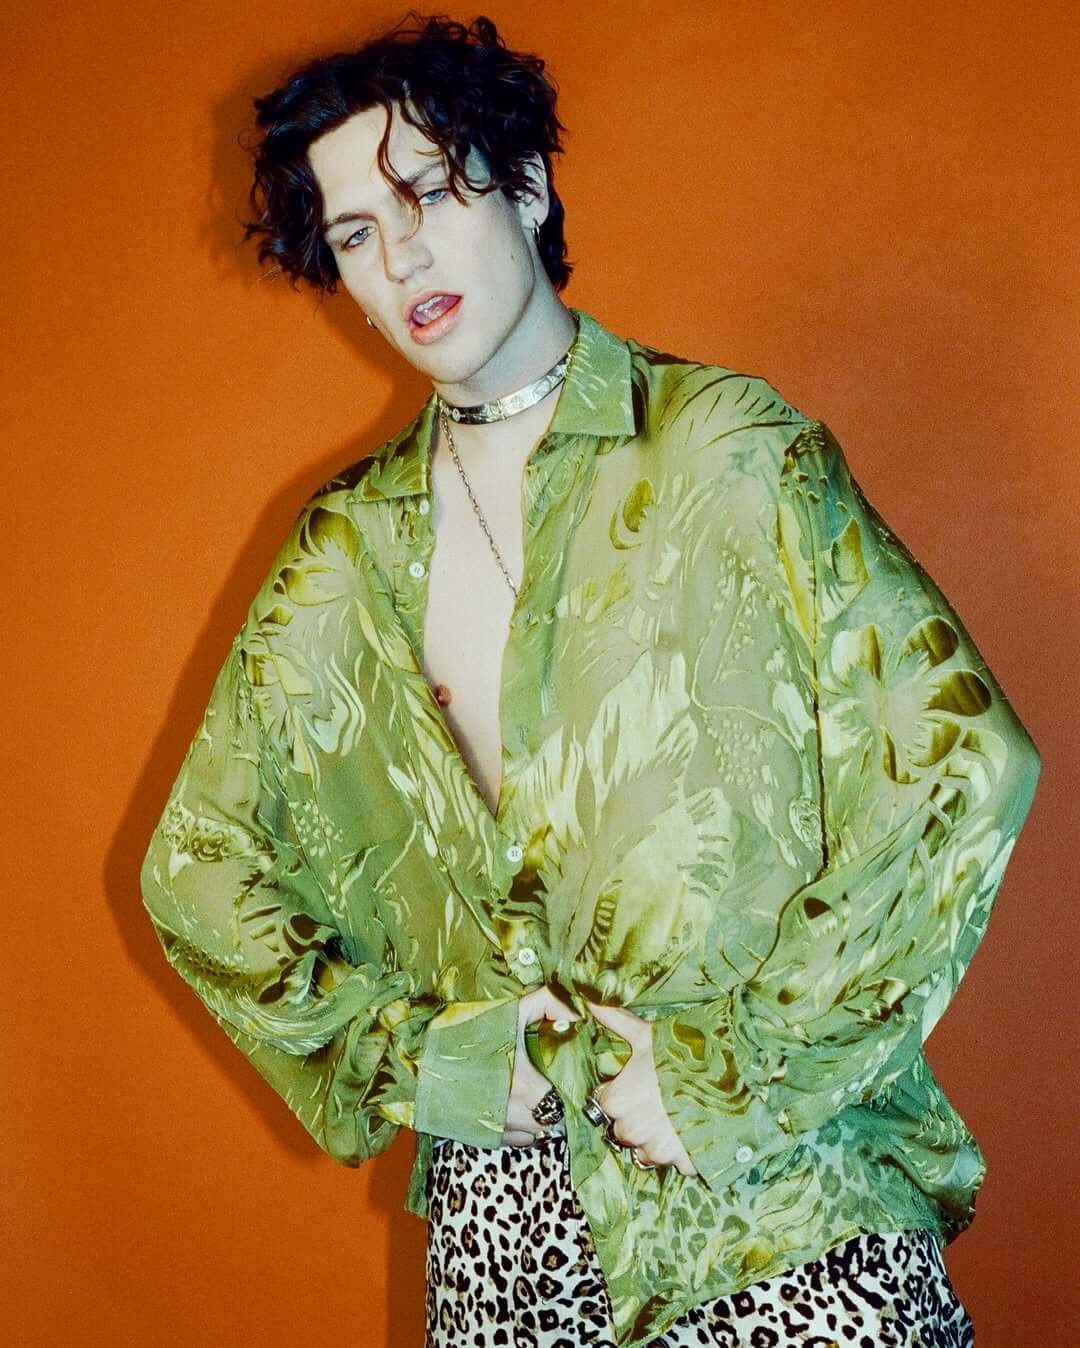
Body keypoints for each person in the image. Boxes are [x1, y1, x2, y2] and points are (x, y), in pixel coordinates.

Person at [139, 13, 1041, 1347]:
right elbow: (199, 870)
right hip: (500, 1248)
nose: (400, 258)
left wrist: (737, 1069)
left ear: (525, 181)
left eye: (427, 193)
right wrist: (425, 1059)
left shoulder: (733, 455)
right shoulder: (343, 555)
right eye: (355, 235)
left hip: (773, 1210)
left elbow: (963, 763)